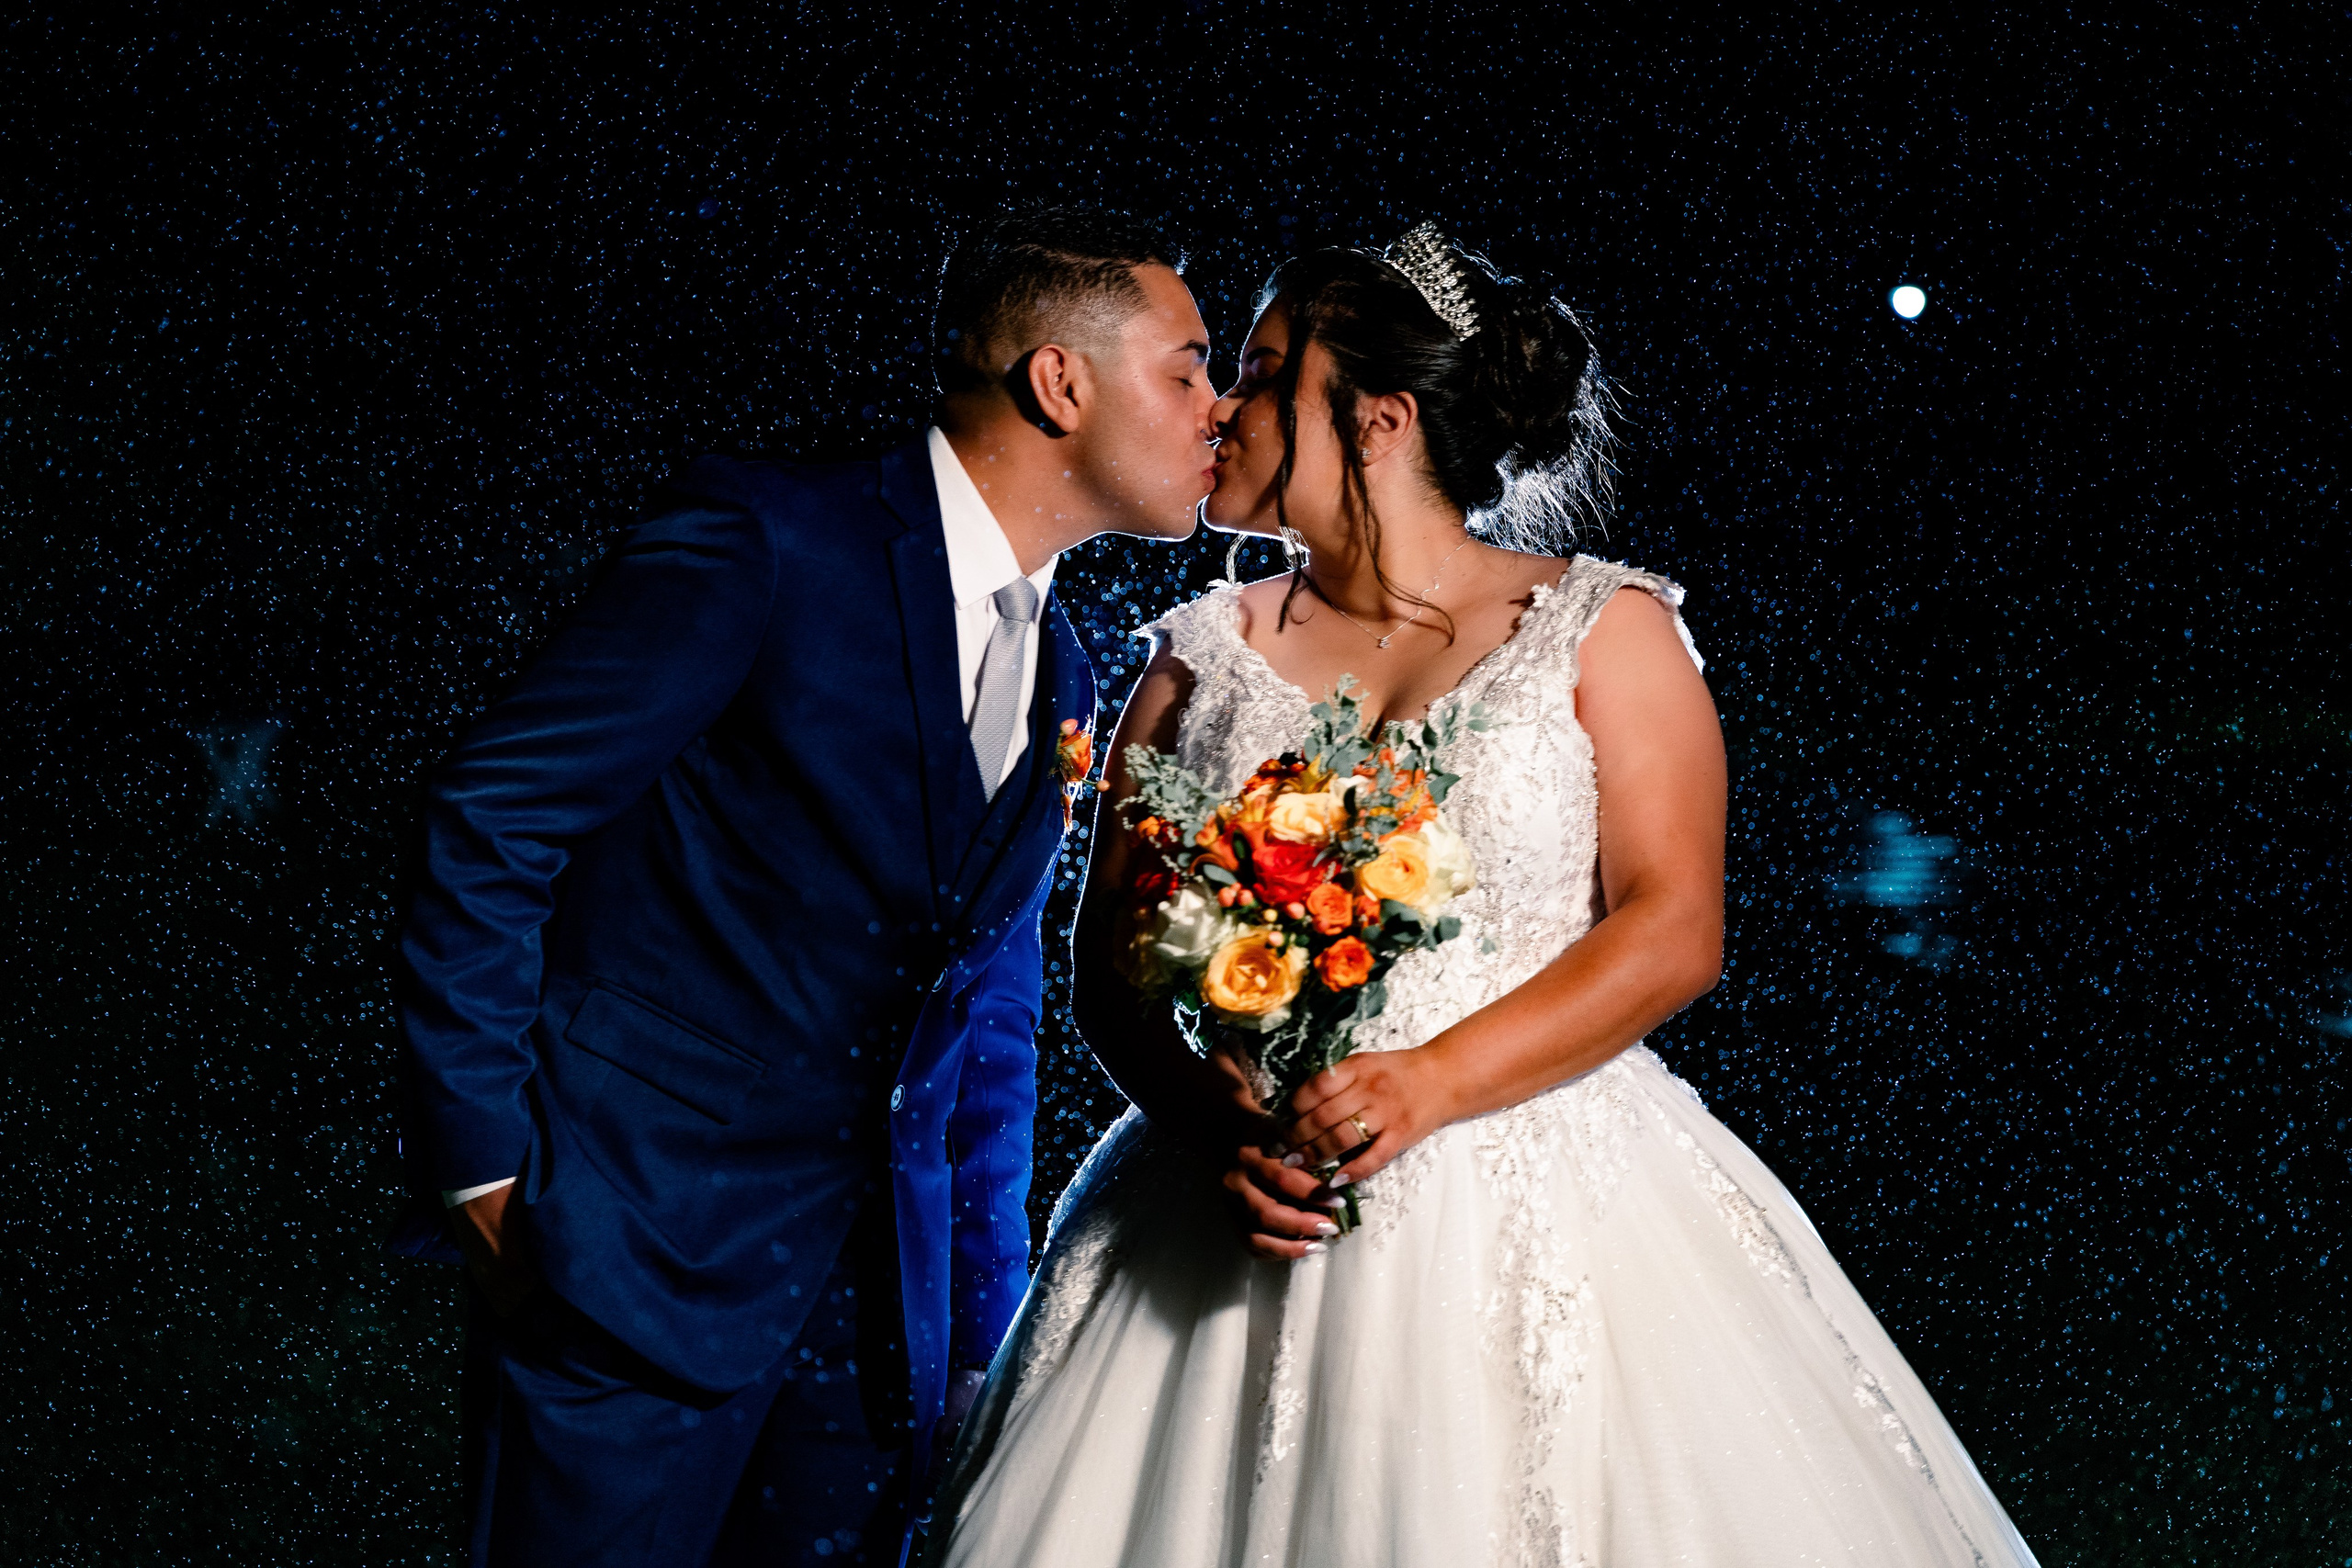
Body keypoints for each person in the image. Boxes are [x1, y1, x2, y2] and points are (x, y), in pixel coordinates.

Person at [933, 226, 2041, 1566]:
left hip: (1543, 1191)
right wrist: (1217, 1125)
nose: (1223, 403)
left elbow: (1674, 926)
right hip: (1230, 1200)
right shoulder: (1193, 665)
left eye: (1268, 373)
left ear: (1381, 419)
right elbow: (1108, 967)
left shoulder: (1604, 630)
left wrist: (1435, 1082)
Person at [390, 207, 1219, 1566]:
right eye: (1187, 366)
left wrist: (975, 1332)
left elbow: (987, 1027)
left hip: (872, 1345)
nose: (1217, 405)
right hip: (628, 1262)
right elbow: (493, 814)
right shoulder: (769, 540)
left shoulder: (1064, 667)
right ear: (1060, 382)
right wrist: (479, 1161)